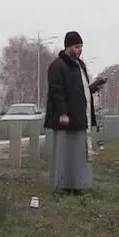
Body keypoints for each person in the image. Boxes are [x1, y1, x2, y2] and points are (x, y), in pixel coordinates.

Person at [44, 31, 106, 195]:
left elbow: (79, 90)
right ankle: (62, 185)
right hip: (66, 119)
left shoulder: (79, 65)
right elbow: (57, 92)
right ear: (68, 47)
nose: (80, 50)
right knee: (64, 154)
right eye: (77, 47)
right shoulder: (58, 66)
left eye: (81, 47)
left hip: (79, 117)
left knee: (78, 155)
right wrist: (63, 113)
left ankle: (77, 185)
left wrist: (93, 87)